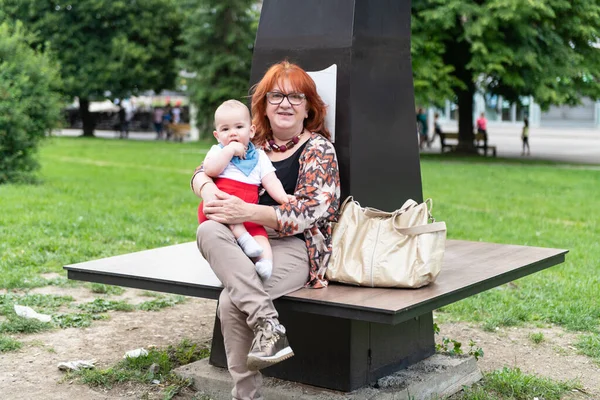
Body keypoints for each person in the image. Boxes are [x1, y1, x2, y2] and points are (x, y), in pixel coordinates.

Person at [191, 60, 340, 400]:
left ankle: (246, 394)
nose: (285, 103)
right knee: (207, 231)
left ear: (308, 109)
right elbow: (203, 169)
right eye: (276, 96)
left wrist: (248, 210)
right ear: (263, 106)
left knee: (231, 302)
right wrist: (206, 187)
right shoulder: (250, 140)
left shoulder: (319, 150)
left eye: (295, 97)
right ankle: (268, 324)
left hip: (296, 246)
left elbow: (308, 211)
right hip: (242, 240)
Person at [198, 99, 295, 281]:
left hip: (248, 210)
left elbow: (270, 181)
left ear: (251, 131)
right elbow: (209, 170)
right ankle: (243, 239)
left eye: (239, 127)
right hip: (220, 206)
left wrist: (283, 198)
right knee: (233, 220)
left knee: (261, 236)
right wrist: (229, 152)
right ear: (217, 135)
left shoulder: (259, 156)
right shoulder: (217, 151)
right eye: (225, 129)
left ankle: (265, 263)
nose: (232, 133)